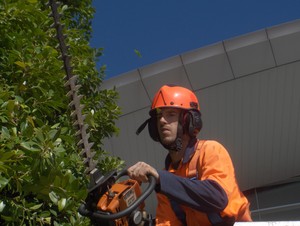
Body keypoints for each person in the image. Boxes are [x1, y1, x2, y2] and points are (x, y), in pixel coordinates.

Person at [128, 85, 252, 226]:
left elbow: (217, 197)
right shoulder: (164, 180)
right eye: (159, 116)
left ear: (189, 121)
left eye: (171, 114)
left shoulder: (210, 150)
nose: (162, 121)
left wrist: (162, 179)